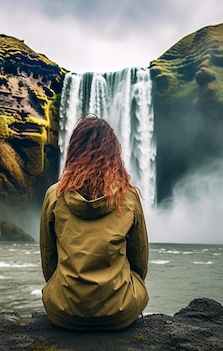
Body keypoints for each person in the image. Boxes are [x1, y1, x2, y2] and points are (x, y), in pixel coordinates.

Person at [39, 114, 149, 331]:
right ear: (114, 154)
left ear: (74, 152)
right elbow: (139, 260)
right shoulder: (128, 197)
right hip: (119, 314)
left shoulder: (54, 195)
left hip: (63, 313)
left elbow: (48, 258)